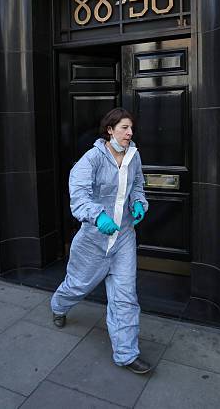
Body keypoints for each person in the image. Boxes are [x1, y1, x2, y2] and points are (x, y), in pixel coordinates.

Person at [50, 107, 152, 374]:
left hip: (124, 239)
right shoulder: (91, 160)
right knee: (77, 286)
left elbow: (138, 185)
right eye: (124, 128)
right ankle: (59, 306)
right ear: (110, 130)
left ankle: (127, 354)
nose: (130, 133)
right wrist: (98, 216)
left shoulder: (133, 156)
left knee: (125, 297)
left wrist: (139, 202)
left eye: (131, 128)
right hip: (93, 240)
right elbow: (80, 196)